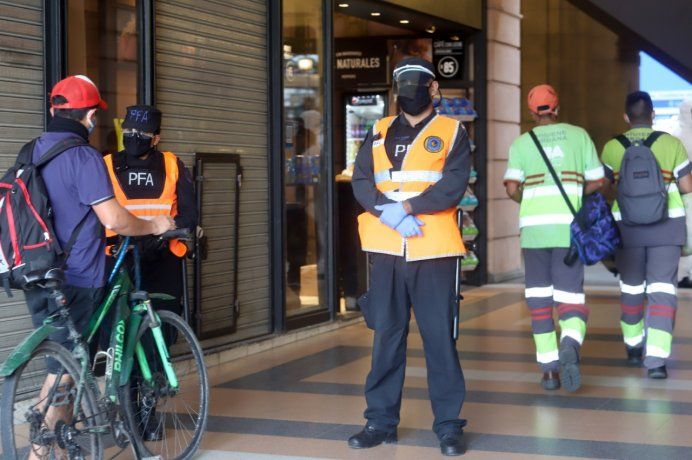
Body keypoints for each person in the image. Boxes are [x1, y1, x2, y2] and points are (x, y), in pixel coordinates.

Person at [25, 75, 175, 459]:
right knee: (65, 370)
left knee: (62, 359)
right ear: (91, 116)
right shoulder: (83, 157)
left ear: (53, 108)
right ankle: (39, 452)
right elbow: (115, 219)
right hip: (76, 276)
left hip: (36, 273)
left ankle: (55, 449)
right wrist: (154, 225)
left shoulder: (32, 150)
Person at [350, 58, 471, 456]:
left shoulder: (452, 131)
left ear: (433, 88)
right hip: (387, 248)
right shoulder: (379, 130)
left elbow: (453, 185)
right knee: (386, 337)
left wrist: (407, 208)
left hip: (433, 249)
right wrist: (386, 211)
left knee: (439, 339)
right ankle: (380, 421)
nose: (409, 90)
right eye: (402, 83)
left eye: (416, 83)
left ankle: (449, 426)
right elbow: (362, 179)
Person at [101, 105, 197, 441]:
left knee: (158, 337)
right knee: (120, 337)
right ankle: (125, 411)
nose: (134, 138)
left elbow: (189, 215)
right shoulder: (106, 164)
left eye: (142, 133)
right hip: (121, 258)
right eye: (129, 131)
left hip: (163, 260)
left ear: (156, 137)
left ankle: (147, 409)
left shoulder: (172, 164)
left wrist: (160, 239)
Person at [504, 84, 604, 393]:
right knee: (570, 296)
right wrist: (573, 195)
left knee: (539, 300)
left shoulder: (521, 143)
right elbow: (598, 180)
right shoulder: (579, 136)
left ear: (531, 112)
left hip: (534, 231)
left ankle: (549, 371)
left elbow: (511, 188)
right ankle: (570, 342)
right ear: (556, 107)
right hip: (567, 229)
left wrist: (529, 200)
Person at [601, 91, 692, 379]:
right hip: (667, 226)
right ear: (653, 115)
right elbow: (687, 187)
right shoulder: (671, 144)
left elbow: (603, 187)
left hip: (626, 229)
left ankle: (633, 346)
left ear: (626, 117)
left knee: (631, 288)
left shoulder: (612, 147)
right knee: (662, 291)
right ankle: (656, 361)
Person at [674, 99, 692, 287]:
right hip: (685, 191)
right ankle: (683, 274)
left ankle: (682, 275)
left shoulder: (675, 136)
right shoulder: (679, 136)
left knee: (685, 235)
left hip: (682, 192)